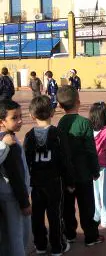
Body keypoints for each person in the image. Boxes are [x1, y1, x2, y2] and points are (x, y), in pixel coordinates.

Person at [24, 95, 74, 255]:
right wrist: (70, 181)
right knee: (55, 214)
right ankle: (57, 246)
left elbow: (26, 161)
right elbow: (65, 159)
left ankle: (40, 245)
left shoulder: (29, 136)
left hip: (37, 181)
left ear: (32, 116)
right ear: (52, 112)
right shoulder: (58, 134)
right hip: (54, 180)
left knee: (37, 215)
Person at [57, 85, 104, 246]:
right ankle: (91, 236)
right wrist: (95, 169)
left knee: (68, 207)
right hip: (83, 173)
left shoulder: (61, 123)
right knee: (87, 206)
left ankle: (69, 233)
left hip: (67, 174)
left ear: (60, 105)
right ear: (78, 101)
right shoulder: (84, 123)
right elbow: (91, 150)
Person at [0, 100, 31, 256]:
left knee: (7, 236)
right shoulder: (8, 142)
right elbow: (16, 174)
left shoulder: (7, 138)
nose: (20, 121)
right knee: (18, 236)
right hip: (13, 197)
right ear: (2, 122)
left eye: (21, 116)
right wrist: (24, 202)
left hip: (8, 195)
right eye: (14, 118)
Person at [89, 102, 106, 228]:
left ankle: (96, 215)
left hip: (92, 166)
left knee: (95, 193)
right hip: (105, 167)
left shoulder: (88, 131)